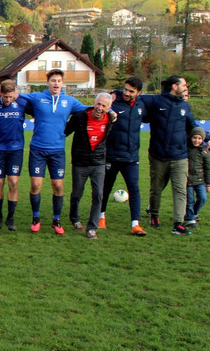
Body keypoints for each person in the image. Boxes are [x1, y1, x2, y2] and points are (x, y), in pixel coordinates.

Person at [19, 69, 90, 235]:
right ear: (48, 82)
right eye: (53, 80)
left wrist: (109, 108)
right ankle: (36, 218)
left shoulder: (70, 101)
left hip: (57, 151)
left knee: (58, 186)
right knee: (36, 184)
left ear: (62, 83)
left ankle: (56, 219)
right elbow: (15, 95)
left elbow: (89, 109)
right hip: (37, 149)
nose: (56, 83)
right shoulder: (37, 97)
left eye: (58, 80)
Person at [139, 75, 199, 236]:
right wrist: (117, 93)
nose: (186, 87)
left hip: (180, 156)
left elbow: (193, 126)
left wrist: (206, 139)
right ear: (174, 86)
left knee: (180, 190)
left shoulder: (185, 106)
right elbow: (137, 97)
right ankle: (154, 215)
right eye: (184, 85)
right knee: (156, 189)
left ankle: (178, 224)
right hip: (158, 155)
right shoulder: (156, 101)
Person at [99, 77, 148, 236]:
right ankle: (101, 217)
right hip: (112, 155)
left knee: (134, 189)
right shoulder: (114, 102)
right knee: (105, 188)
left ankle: (135, 224)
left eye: (131, 91)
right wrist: (116, 93)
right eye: (125, 89)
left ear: (138, 93)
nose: (126, 93)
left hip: (131, 157)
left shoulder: (141, 105)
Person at [65, 93, 114, 239]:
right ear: (94, 103)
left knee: (98, 194)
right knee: (77, 194)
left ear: (109, 108)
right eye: (98, 104)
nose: (99, 108)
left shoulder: (111, 120)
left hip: (98, 163)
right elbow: (64, 132)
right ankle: (74, 219)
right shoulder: (80, 117)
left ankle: (92, 227)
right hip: (80, 163)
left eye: (103, 106)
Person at [0, 79, 31, 231]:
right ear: (1, 93)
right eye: (6, 97)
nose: (8, 100)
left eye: (11, 97)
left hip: (15, 149)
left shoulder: (22, 103)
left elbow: (40, 107)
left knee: (13, 182)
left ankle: (10, 218)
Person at [185, 126, 210, 227]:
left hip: (200, 180)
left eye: (199, 138)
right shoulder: (186, 149)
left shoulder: (205, 152)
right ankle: (190, 219)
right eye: (195, 138)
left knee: (203, 198)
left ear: (203, 139)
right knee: (189, 201)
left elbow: (209, 168)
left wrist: (209, 183)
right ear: (191, 137)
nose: (197, 140)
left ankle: (194, 213)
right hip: (187, 180)